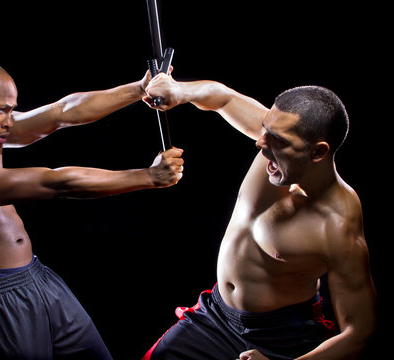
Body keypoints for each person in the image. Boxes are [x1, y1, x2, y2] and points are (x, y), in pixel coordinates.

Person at [0, 59, 184, 359]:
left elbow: (61, 112)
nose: (10, 120)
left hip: (36, 275)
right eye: (1, 110)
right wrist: (146, 177)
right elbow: (55, 183)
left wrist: (139, 89)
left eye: (11, 109)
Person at [141, 73, 376, 360]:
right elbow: (223, 97)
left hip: (279, 338)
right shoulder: (276, 142)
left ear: (318, 152)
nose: (260, 143)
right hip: (215, 315)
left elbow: (359, 332)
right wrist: (180, 90)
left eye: (276, 139)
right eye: (265, 129)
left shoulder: (337, 224)